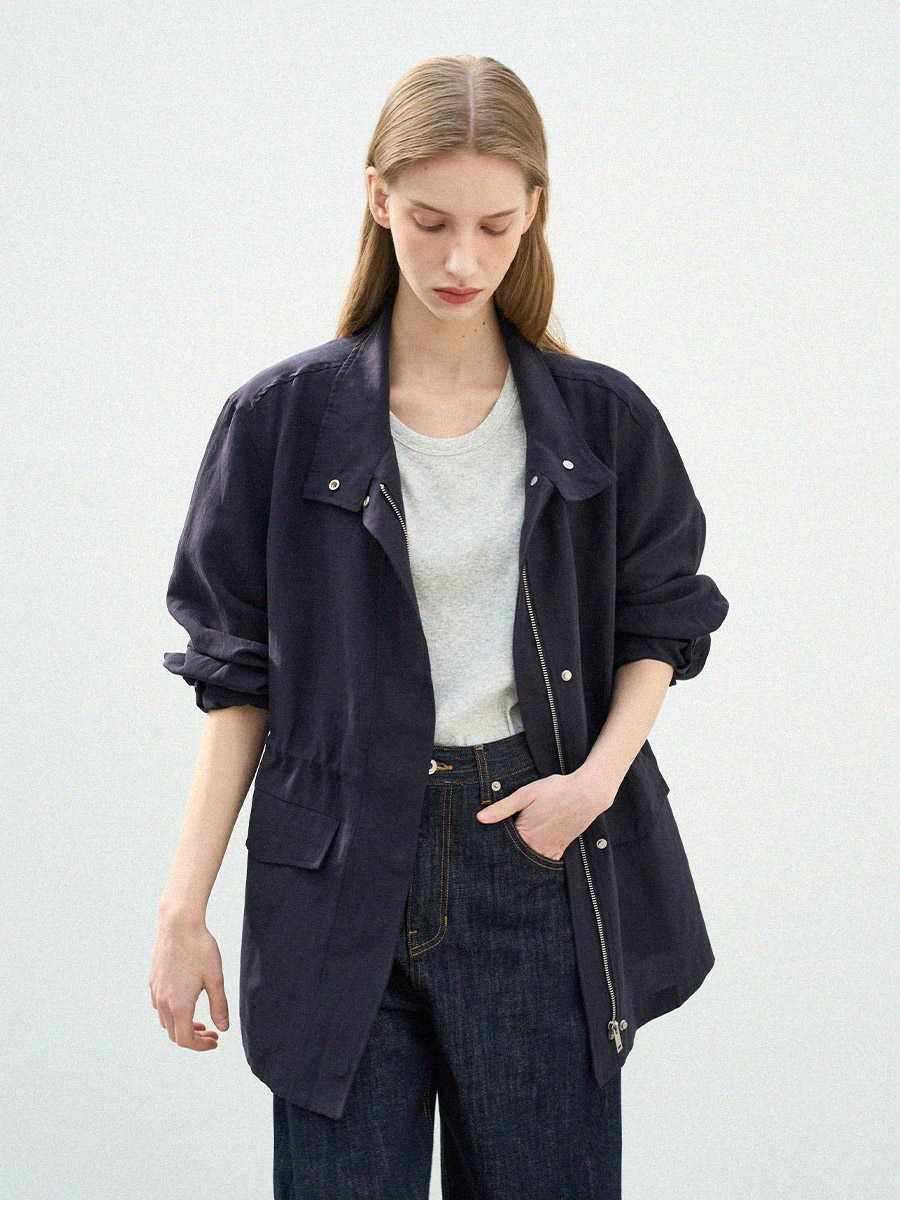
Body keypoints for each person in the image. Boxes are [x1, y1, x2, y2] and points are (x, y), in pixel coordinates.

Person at [150, 53, 729, 1200]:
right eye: (430, 222)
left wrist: (592, 784)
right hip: (334, 864)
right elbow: (237, 676)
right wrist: (182, 904)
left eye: (494, 226)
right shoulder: (277, 421)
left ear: (534, 214)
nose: (463, 260)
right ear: (377, 199)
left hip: (531, 848)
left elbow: (660, 620)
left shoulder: (603, 419)